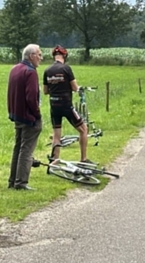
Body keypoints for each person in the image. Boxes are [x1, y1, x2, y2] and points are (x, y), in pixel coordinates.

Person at [43, 45, 92, 164]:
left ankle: (55, 160)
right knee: (83, 129)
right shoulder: (66, 69)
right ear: (64, 55)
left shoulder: (47, 71)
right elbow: (75, 88)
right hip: (66, 105)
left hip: (54, 105)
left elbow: (45, 91)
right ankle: (83, 159)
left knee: (56, 135)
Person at [7, 44, 43, 190]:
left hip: (17, 115)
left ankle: (12, 181)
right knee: (27, 150)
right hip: (29, 117)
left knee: (18, 148)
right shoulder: (31, 72)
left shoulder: (14, 69)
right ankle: (21, 183)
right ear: (31, 56)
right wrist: (37, 114)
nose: (41, 58)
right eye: (39, 55)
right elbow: (31, 97)